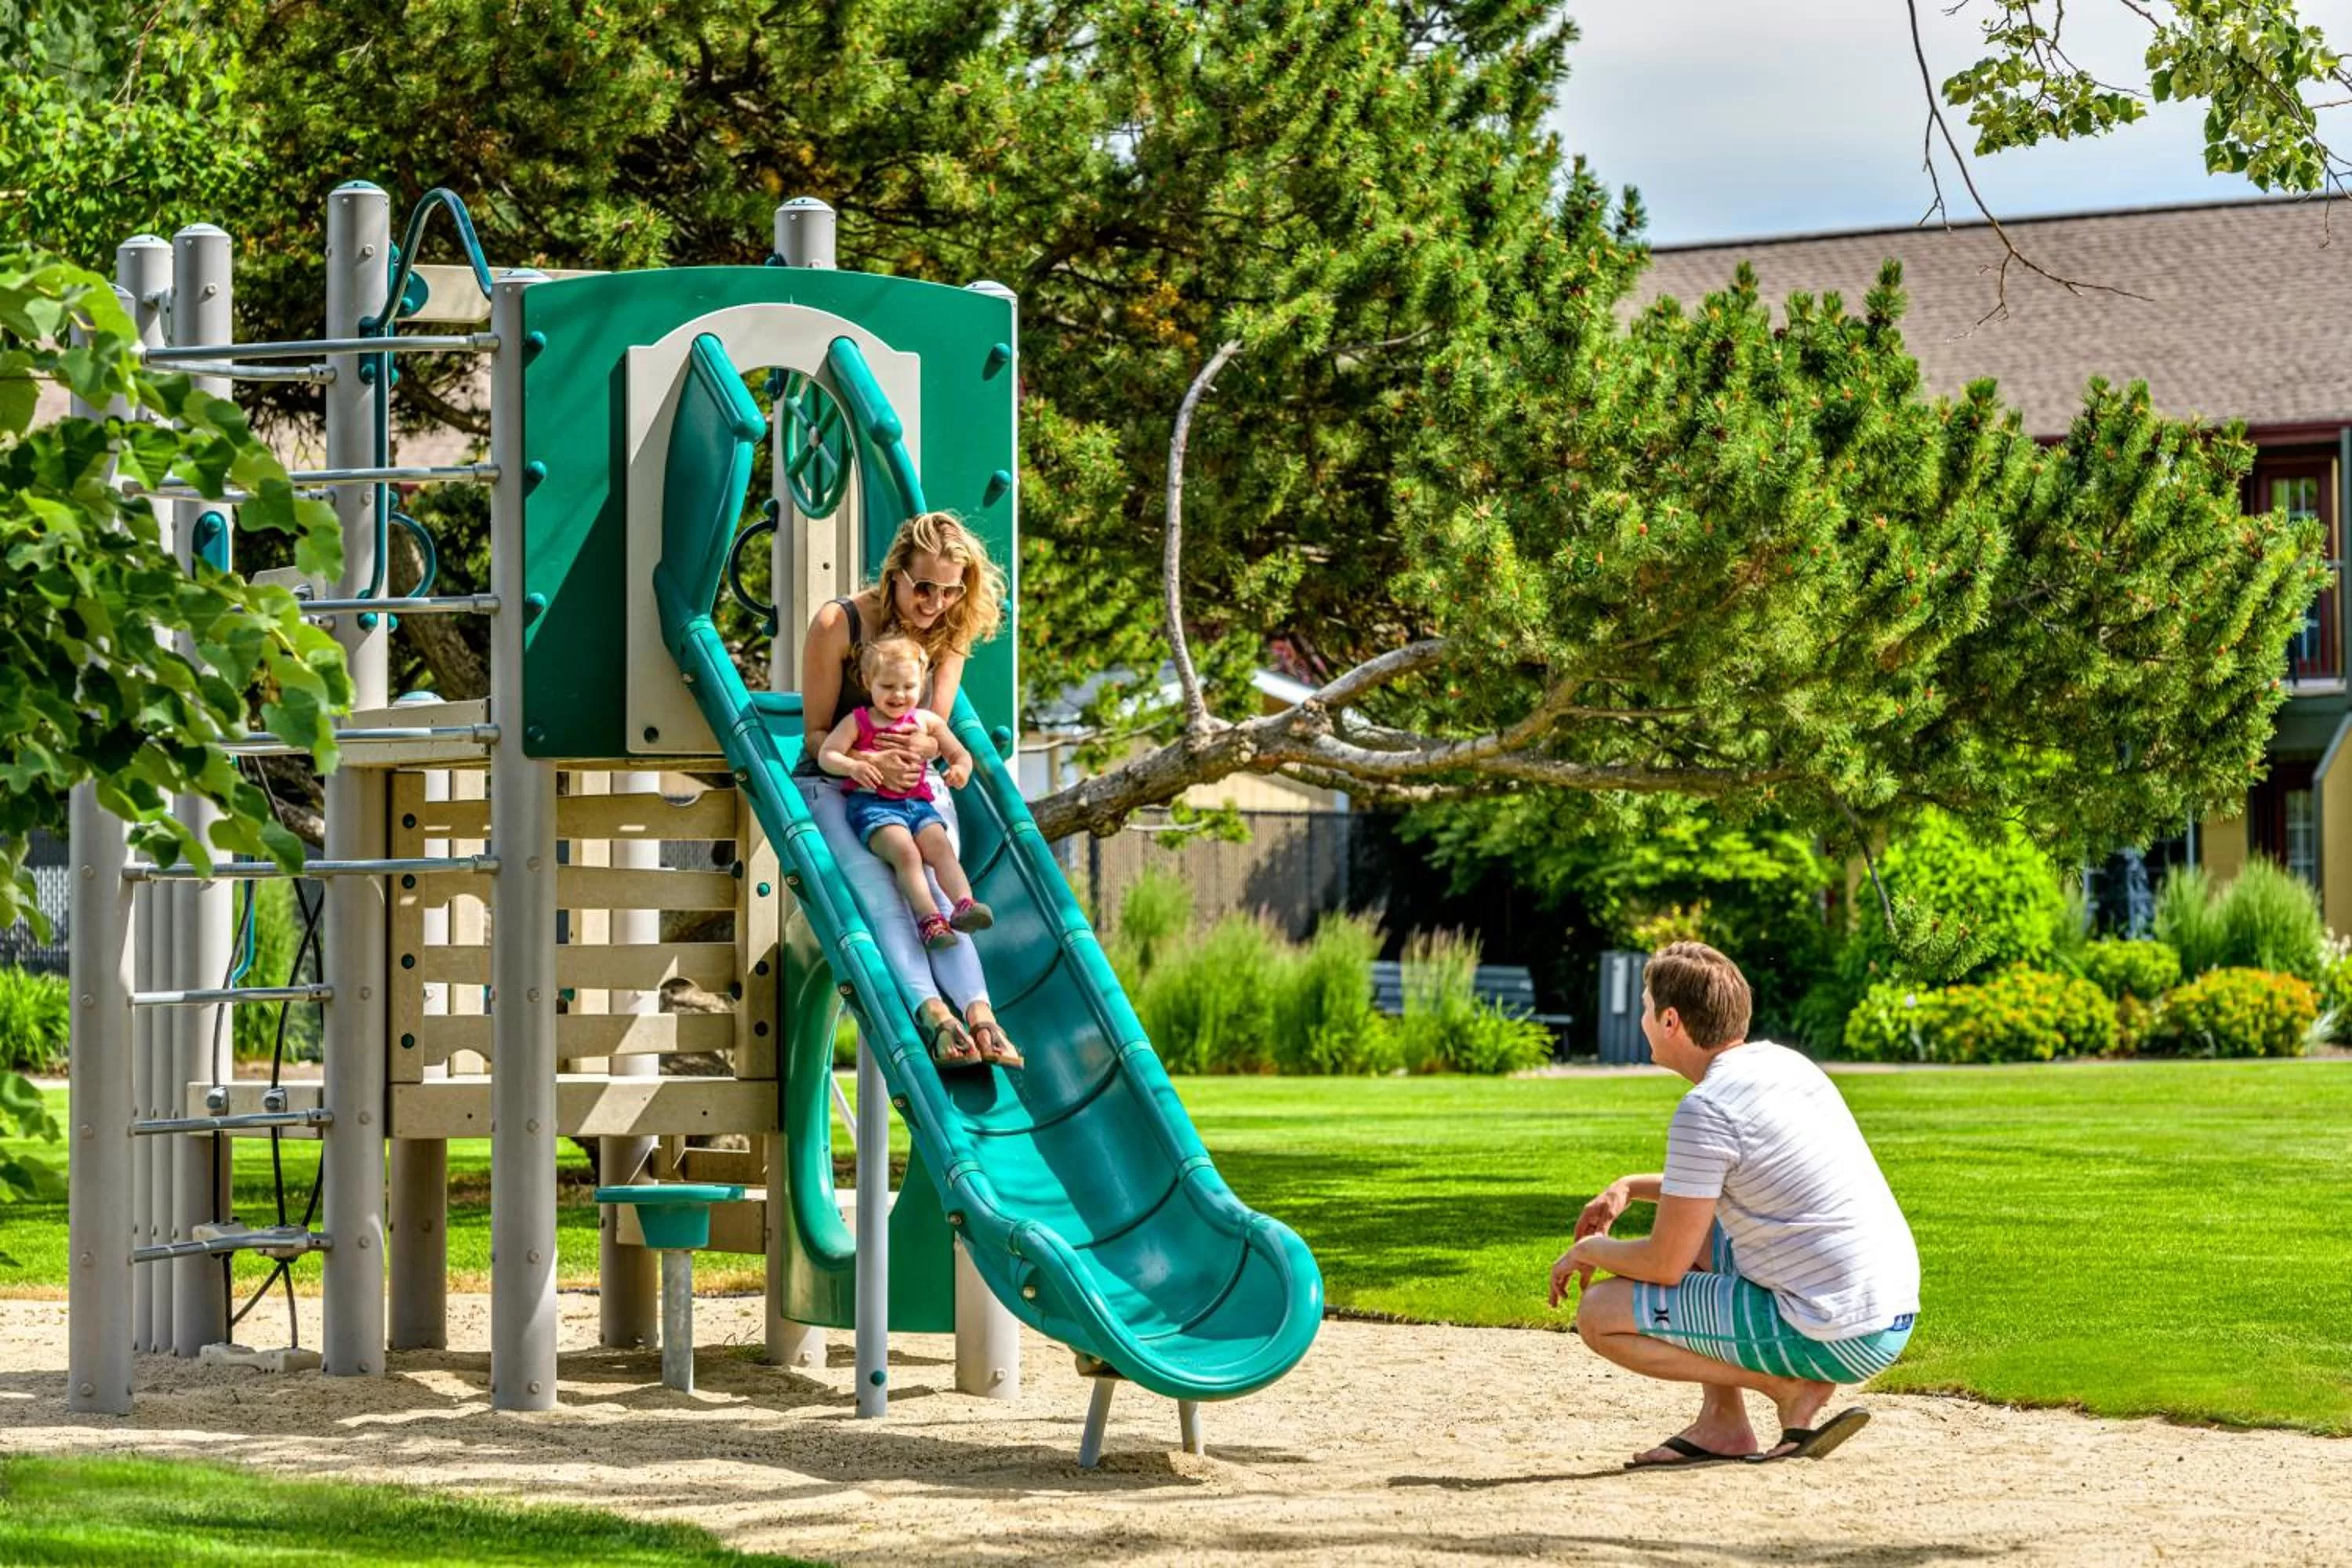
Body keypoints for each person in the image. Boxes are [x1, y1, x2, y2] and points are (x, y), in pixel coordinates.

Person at [1550, 942, 1918, 1468]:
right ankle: (1722, 1423)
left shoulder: (1707, 1108)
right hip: (1888, 1312)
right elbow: (1731, 1178)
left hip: (1836, 1333)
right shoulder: (1785, 1066)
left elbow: (1663, 1264)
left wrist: (1590, 1250)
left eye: (1646, 1006)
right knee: (1701, 1226)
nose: (1643, 1018)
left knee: (1599, 1314)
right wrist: (1629, 1185)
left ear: (1671, 1020)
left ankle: (1789, 1387)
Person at [796, 510, 1022, 1071]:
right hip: (841, 782)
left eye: (949, 590)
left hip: (912, 789)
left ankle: (980, 1016)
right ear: (895, 573)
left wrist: (935, 757)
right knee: (889, 892)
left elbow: (931, 727)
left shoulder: (948, 627)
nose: (934, 602)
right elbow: (817, 733)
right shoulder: (839, 625)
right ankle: (934, 1017)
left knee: (944, 898)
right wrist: (868, 763)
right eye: (923, 587)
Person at [815, 634, 994, 954]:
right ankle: (930, 921)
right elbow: (827, 754)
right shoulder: (858, 722)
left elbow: (959, 753)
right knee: (907, 854)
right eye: (888, 686)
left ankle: (964, 904)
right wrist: (853, 767)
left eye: (909, 687)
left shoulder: (927, 722)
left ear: (922, 685)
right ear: (868, 682)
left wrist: (960, 771)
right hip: (873, 806)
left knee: (940, 848)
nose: (899, 695)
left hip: (917, 805)